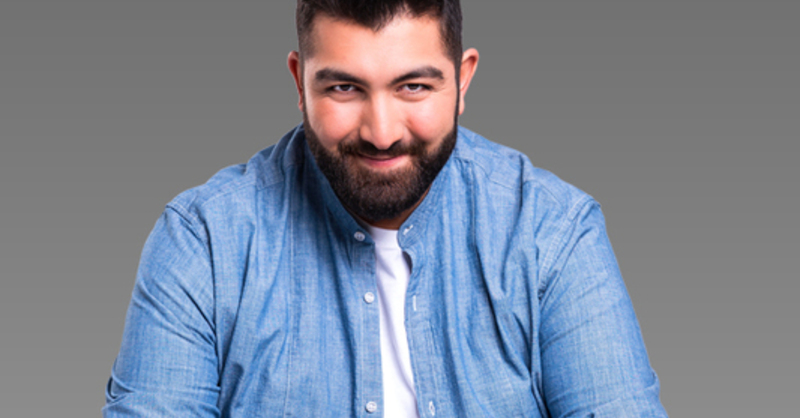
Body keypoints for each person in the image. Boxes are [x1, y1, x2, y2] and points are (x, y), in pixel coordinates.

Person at [104, 1, 668, 417]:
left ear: (463, 79)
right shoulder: (203, 243)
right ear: (300, 82)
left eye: (414, 87)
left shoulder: (551, 231)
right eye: (344, 88)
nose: (381, 132)